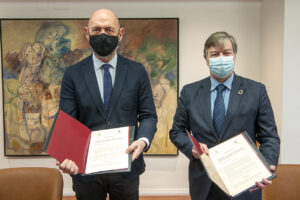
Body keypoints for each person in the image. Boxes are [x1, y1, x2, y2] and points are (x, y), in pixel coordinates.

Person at [56, 9, 157, 200]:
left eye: (109, 30)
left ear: (120, 34)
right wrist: (65, 155)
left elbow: (148, 115)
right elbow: (67, 121)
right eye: (97, 30)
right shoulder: (73, 74)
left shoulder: (137, 71)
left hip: (127, 168)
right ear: (87, 33)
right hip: (85, 170)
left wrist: (143, 140)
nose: (103, 34)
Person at [169, 32, 280, 200]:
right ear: (206, 59)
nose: (221, 58)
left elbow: (269, 136)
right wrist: (192, 147)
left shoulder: (256, 91)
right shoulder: (190, 92)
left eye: (226, 53)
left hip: (245, 182)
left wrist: (267, 166)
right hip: (204, 184)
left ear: (234, 56)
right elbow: (177, 131)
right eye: (214, 54)